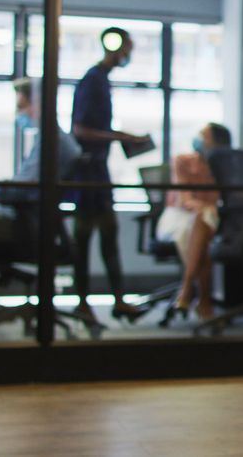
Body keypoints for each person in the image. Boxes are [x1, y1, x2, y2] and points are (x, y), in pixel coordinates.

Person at [69, 27, 149, 323]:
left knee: (107, 237)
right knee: (86, 238)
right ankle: (84, 303)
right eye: (127, 48)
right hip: (89, 175)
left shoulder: (100, 80)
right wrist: (121, 137)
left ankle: (116, 300)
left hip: (97, 172)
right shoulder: (93, 80)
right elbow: (80, 130)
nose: (128, 55)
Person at [0, 78, 81, 256]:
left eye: (21, 106)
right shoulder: (49, 139)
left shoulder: (52, 142)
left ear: (37, 104)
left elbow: (25, 188)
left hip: (25, 223)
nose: (18, 113)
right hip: (27, 218)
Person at [155, 123, 232, 322]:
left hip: (206, 217)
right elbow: (184, 199)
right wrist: (205, 207)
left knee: (203, 225)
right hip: (177, 216)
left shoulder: (222, 167)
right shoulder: (182, 161)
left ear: (217, 143)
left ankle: (187, 291)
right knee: (203, 229)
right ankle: (203, 301)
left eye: (204, 136)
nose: (198, 139)